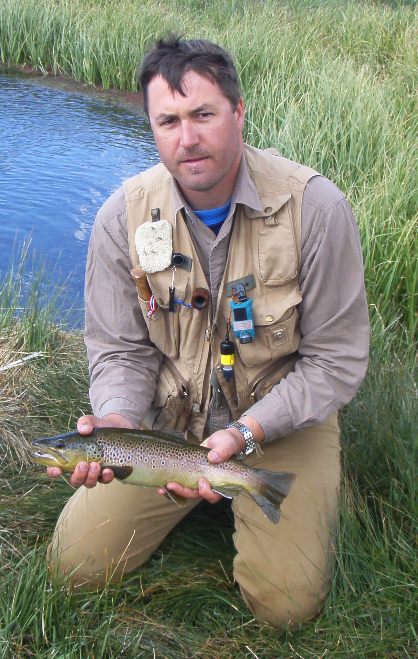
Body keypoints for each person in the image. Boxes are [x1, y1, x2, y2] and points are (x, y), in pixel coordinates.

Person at [46, 36, 369, 628]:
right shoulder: (122, 217)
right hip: (167, 426)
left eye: (203, 115)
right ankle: (199, 489)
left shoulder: (316, 208)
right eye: (167, 120)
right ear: (151, 125)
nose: (187, 138)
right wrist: (117, 417)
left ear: (238, 113)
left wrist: (247, 431)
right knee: (75, 567)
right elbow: (119, 348)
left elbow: (335, 362)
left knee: (286, 609)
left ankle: (255, 490)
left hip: (280, 421)